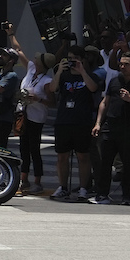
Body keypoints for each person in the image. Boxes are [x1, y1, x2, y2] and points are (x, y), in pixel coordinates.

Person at [91, 51, 130, 205]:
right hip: (110, 127)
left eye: (126, 64)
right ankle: (102, 194)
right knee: (105, 162)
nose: (122, 67)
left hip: (128, 129)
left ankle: (126, 196)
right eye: (121, 64)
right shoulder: (114, 81)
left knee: (128, 164)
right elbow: (105, 102)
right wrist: (98, 123)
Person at [46, 45, 101, 201]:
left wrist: (82, 71)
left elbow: (93, 88)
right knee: (62, 156)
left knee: (83, 156)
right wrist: (59, 71)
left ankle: (84, 188)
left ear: (82, 59)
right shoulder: (64, 76)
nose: (72, 62)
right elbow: (52, 88)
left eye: (75, 59)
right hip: (64, 120)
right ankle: (63, 187)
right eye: (69, 59)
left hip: (82, 121)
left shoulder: (90, 75)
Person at [7, 22, 55, 194]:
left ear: (42, 64)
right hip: (23, 114)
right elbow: (18, 50)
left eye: (37, 59)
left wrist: (38, 99)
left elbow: (52, 102)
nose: (33, 60)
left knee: (34, 149)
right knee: (23, 148)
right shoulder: (31, 70)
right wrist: (11, 34)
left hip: (36, 117)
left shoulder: (46, 81)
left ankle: (37, 181)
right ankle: (24, 179)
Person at [0, 48, 20, 149]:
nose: (1, 57)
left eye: (5, 55)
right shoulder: (0, 74)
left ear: (11, 61)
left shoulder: (11, 76)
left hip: (3, 118)